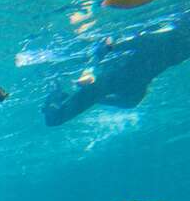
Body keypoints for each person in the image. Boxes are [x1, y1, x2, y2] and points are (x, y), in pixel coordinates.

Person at [42, 12, 190, 127]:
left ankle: (58, 89)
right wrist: (91, 70)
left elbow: (110, 47)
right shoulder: (158, 39)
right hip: (114, 79)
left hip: (129, 83)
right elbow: (108, 47)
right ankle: (54, 87)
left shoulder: (176, 42)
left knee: (129, 102)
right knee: (54, 119)